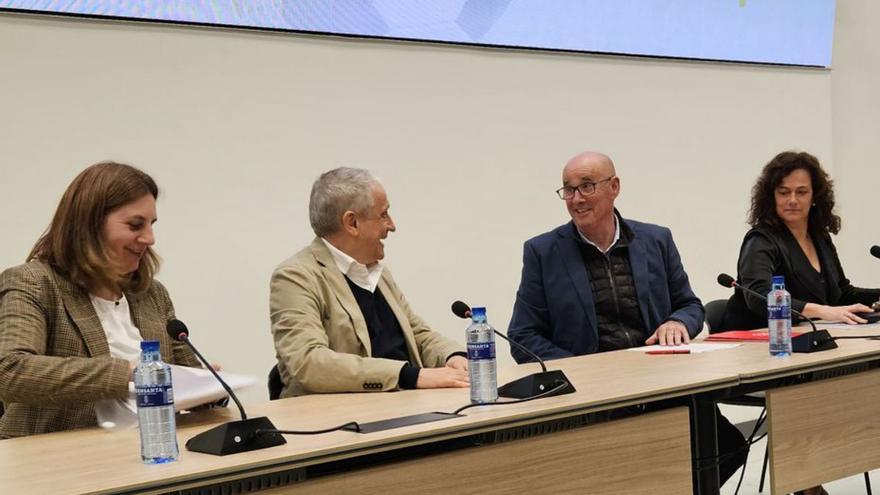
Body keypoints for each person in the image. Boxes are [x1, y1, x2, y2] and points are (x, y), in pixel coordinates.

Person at [508, 151, 746, 485]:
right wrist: (579, 371)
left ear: (614, 186)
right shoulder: (543, 251)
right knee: (630, 470)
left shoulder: (656, 240)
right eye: (568, 190)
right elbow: (522, 335)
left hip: (662, 383)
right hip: (594, 397)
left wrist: (678, 322)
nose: (576, 199)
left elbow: (690, 305)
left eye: (586, 187)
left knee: (727, 447)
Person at [0, 162, 201, 439]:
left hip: (149, 451)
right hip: (54, 463)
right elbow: (11, 371)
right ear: (89, 225)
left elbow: (182, 374)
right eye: (135, 225)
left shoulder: (151, 294)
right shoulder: (34, 283)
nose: (150, 238)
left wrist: (207, 387)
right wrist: (126, 373)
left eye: (152, 225)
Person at [271, 167, 467, 397]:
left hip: (406, 405)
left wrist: (453, 356)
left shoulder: (376, 271)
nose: (392, 225)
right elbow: (309, 363)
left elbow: (417, 334)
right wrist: (410, 376)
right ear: (352, 223)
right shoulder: (296, 276)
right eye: (383, 214)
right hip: (344, 420)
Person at [723, 151, 879, 330]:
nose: (792, 200)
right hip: (760, 342)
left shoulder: (819, 237)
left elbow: (842, 294)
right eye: (783, 193)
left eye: (802, 192)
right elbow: (759, 298)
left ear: (814, 197)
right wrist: (821, 311)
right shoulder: (761, 240)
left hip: (810, 337)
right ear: (771, 197)